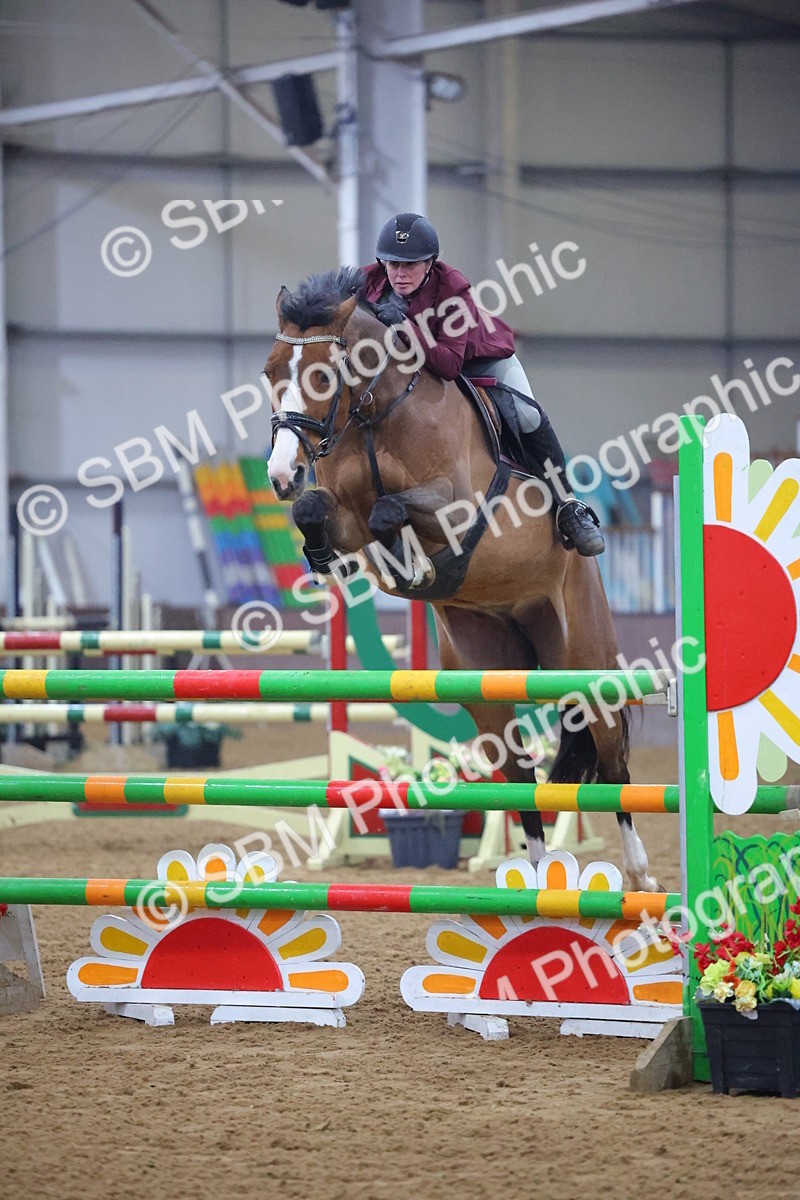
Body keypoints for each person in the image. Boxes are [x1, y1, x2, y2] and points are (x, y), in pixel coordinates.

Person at [360, 212, 604, 557]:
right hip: (414, 368)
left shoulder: (453, 289)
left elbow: (448, 364)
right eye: (393, 263)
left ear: (430, 263)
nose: (400, 274)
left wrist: (405, 327)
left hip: (479, 359)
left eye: (411, 265)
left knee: (527, 415)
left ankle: (568, 506)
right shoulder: (366, 283)